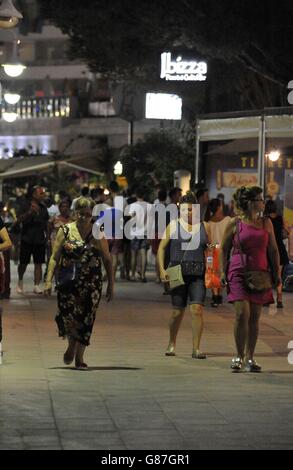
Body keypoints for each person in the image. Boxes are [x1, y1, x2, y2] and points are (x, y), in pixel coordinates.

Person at [44, 197, 114, 369]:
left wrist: (111, 284)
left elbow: (107, 259)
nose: (84, 217)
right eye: (81, 214)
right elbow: (54, 257)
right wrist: (47, 281)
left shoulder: (98, 232)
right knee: (68, 316)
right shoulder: (65, 230)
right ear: (75, 213)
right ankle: (71, 345)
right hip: (68, 282)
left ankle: (80, 357)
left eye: (88, 214)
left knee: (87, 317)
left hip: (91, 283)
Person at [220, 186, 281, 372]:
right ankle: (238, 356)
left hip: (260, 274)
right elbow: (224, 248)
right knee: (241, 314)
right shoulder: (235, 222)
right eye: (260, 199)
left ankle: (250, 357)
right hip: (238, 272)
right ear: (250, 202)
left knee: (254, 317)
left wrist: (276, 274)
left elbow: (273, 249)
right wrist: (223, 271)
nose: (263, 202)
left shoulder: (266, 223)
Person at [157, 191, 211, 359]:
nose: (189, 213)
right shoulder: (173, 225)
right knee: (177, 312)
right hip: (176, 272)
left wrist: (212, 268)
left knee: (197, 309)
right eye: (186, 210)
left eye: (192, 210)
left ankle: (196, 348)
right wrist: (162, 270)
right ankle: (171, 342)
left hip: (198, 273)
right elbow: (161, 248)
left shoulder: (204, 226)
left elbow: (210, 250)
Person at [16, 186, 49, 294]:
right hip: (27, 239)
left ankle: (36, 285)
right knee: (23, 263)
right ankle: (20, 281)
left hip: (39, 239)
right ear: (34, 195)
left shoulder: (43, 207)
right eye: (41, 193)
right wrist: (30, 212)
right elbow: (19, 219)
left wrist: (47, 238)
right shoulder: (25, 205)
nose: (43, 195)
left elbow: (46, 224)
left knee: (38, 263)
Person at [205, 198, 231, 307]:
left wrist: (211, 249)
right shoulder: (228, 220)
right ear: (219, 207)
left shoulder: (208, 222)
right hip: (223, 251)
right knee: (221, 272)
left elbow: (207, 241)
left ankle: (215, 296)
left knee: (212, 272)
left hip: (211, 251)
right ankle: (218, 296)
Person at [264, 200, 289, 308]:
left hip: (269, 249)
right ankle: (279, 299)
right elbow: (288, 232)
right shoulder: (280, 218)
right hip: (280, 249)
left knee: (268, 275)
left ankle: (268, 299)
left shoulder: (265, 220)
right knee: (278, 275)